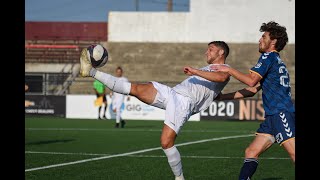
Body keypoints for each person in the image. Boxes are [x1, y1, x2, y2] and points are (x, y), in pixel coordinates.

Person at [80, 41, 231, 180]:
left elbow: (222, 78)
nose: (206, 52)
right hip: (173, 93)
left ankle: (179, 178)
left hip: (183, 102)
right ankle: (91, 71)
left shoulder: (225, 69)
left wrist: (195, 72)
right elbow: (219, 89)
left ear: (221, 52)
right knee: (135, 88)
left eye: (211, 49)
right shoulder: (209, 68)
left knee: (166, 142)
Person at [212, 21, 295, 180]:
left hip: (281, 114)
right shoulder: (276, 60)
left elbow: (250, 81)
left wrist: (229, 69)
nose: (259, 40)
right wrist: (223, 97)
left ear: (273, 41)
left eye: (263, 36)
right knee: (251, 152)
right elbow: (252, 90)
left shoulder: (267, 57)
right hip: (272, 117)